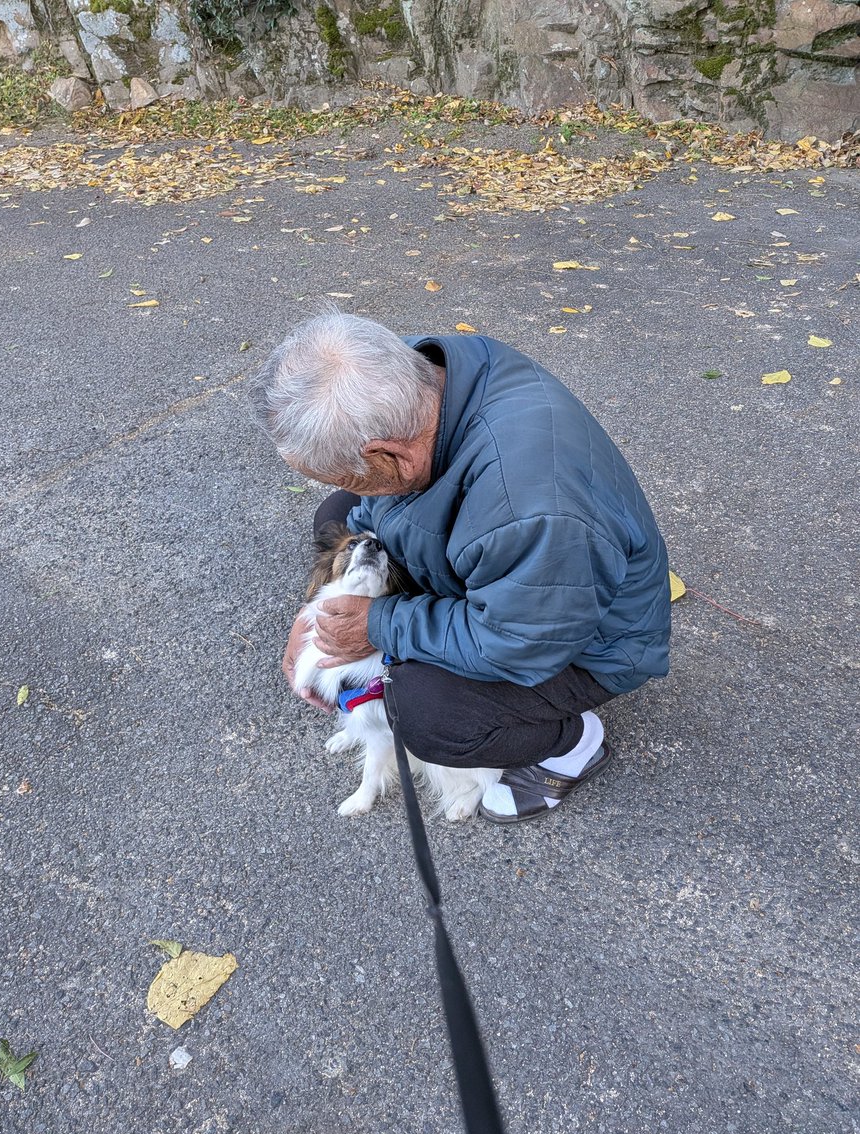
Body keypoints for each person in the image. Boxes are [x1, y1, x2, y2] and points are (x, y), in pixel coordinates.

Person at [250, 311, 671, 824]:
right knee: (336, 517)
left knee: (426, 711)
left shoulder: (529, 506)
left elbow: (518, 643)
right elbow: (368, 512)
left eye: (350, 475)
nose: (349, 487)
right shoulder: (419, 374)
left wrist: (378, 625)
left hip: (576, 641)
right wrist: (320, 613)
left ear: (387, 453)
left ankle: (570, 743)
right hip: (523, 567)